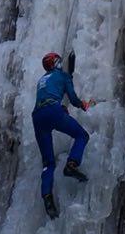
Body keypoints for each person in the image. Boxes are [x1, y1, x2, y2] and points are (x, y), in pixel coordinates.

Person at [32, 52, 94, 218]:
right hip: (53, 111)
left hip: (37, 116)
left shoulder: (41, 80)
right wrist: (82, 105)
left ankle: (47, 198)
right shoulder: (62, 75)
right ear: (56, 63)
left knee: (48, 163)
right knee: (82, 136)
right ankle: (71, 164)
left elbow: (50, 94)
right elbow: (72, 98)